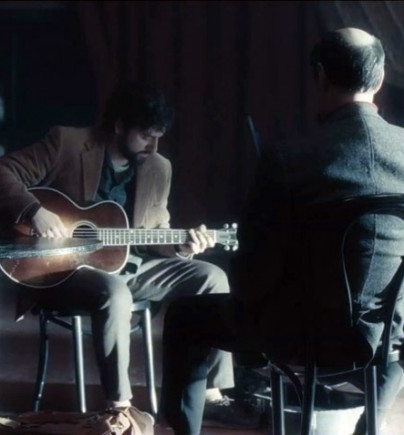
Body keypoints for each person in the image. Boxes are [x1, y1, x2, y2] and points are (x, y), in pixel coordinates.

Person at [160, 27, 404, 434]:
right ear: (378, 80)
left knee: (185, 317)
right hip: (383, 337)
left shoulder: (288, 159)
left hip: (298, 336)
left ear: (320, 76)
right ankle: (369, 427)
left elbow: (252, 279)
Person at [0, 83, 258, 429]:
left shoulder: (159, 168)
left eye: (158, 138)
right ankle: (119, 407)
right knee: (115, 292)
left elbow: (156, 233)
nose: (153, 146)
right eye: (146, 136)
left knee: (211, 277)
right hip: (59, 269)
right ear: (118, 126)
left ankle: (212, 395)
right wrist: (34, 211)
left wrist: (181, 247)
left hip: (128, 267)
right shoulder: (67, 143)